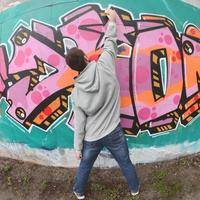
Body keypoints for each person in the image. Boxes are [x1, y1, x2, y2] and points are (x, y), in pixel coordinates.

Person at [65, 8, 139, 200]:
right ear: (86, 57)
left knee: (85, 165)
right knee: (125, 161)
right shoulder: (105, 65)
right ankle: (134, 189)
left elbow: (79, 124)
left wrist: (77, 148)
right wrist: (112, 20)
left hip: (92, 136)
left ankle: (79, 192)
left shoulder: (77, 93)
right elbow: (109, 43)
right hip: (113, 130)